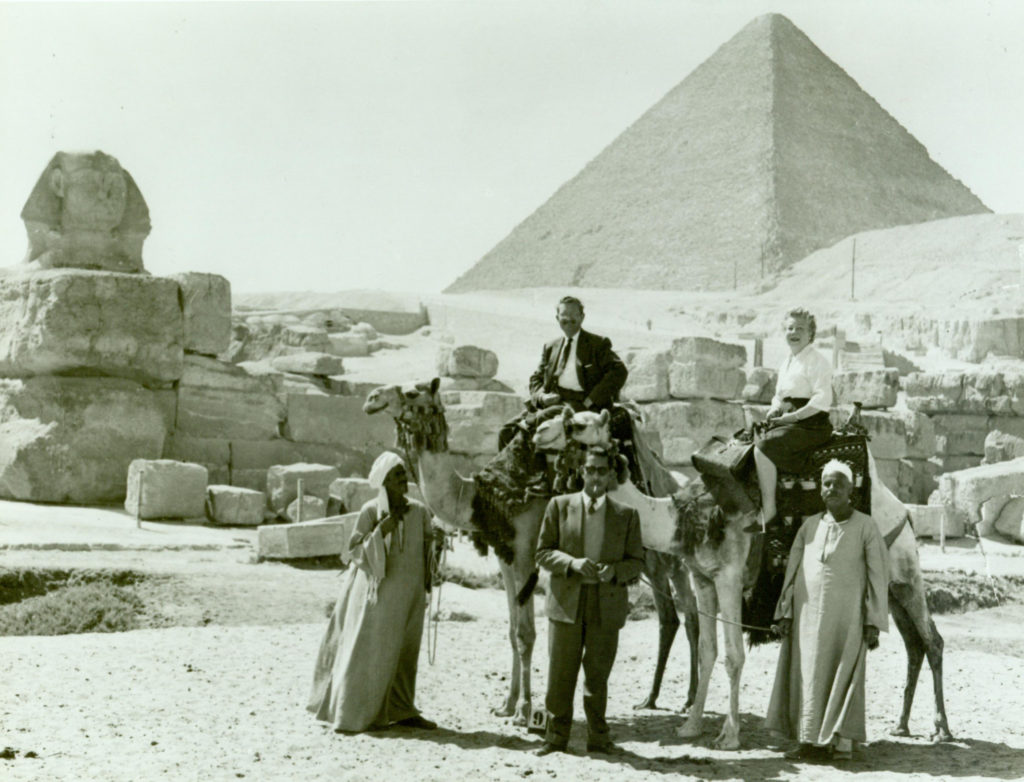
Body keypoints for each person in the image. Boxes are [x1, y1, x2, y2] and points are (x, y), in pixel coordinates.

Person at [765, 459, 888, 762]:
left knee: (843, 676)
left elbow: (878, 577)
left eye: (839, 484)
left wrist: (873, 620)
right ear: (820, 490)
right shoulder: (809, 527)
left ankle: (840, 743)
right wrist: (785, 613)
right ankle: (807, 741)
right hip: (806, 622)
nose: (832, 488)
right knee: (806, 676)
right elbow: (792, 573)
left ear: (852, 493)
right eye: (827, 483)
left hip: (847, 622)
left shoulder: (866, 527)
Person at [307, 451, 438, 733]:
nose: (404, 480)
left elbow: (428, 550)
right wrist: (383, 529)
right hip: (375, 597)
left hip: (411, 596)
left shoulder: (419, 511)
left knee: (405, 653)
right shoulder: (370, 511)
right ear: (384, 482)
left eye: (404, 474)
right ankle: (353, 713)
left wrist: (430, 578)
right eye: (397, 475)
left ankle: (403, 710)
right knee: (369, 652)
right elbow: (353, 551)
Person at [534, 447, 645, 756]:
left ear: (610, 475)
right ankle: (555, 738)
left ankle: (598, 737)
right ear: (581, 472)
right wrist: (571, 563)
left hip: (605, 605)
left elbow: (637, 561)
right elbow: (542, 552)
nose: (595, 477)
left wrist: (614, 572)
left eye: (601, 471)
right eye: (590, 470)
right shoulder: (559, 506)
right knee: (560, 674)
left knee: (598, 675)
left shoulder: (626, 515)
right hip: (566, 603)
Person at [497, 296, 628, 453]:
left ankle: (540, 473)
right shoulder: (551, 347)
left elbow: (619, 371)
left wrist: (592, 399)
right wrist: (542, 397)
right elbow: (536, 378)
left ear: (582, 317)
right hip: (555, 401)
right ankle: (509, 476)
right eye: (564, 315)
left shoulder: (597, 344)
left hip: (582, 402)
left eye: (574, 315)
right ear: (557, 318)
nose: (569, 319)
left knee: (543, 419)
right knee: (506, 431)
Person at [746, 308, 834, 533]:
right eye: (790, 328)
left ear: (811, 334)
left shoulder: (817, 361)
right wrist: (774, 409)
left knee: (763, 446)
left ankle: (770, 511)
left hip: (810, 423)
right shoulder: (786, 362)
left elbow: (822, 399)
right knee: (748, 438)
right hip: (788, 418)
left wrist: (793, 416)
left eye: (800, 329)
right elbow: (779, 395)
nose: (794, 332)